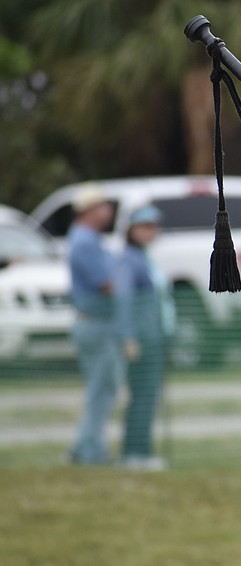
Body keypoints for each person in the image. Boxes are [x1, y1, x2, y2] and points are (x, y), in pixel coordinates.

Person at [115, 205, 175, 470]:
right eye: (144, 226)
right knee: (141, 396)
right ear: (131, 230)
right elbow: (124, 300)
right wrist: (128, 338)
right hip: (140, 339)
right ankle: (135, 453)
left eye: (153, 226)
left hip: (154, 336)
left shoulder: (144, 256)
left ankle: (140, 451)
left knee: (147, 396)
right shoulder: (129, 259)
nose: (150, 231)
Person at [67, 186, 123, 466]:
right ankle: (89, 449)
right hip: (96, 323)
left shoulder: (87, 238)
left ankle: (87, 445)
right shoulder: (85, 241)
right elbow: (106, 284)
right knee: (101, 388)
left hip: (95, 323)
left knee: (101, 387)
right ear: (90, 210)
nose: (108, 211)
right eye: (103, 205)